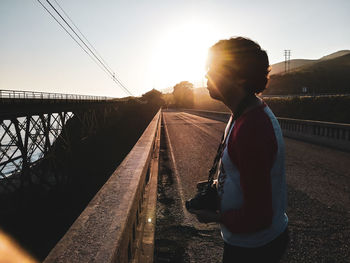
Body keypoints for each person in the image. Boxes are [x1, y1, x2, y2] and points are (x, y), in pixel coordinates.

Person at [189, 37, 289, 262]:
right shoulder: (242, 113)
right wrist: (218, 186)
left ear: (240, 77)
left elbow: (259, 216)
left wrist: (216, 216)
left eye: (213, 68)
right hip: (252, 242)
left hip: (254, 247)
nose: (206, 74)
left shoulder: (252, 128)